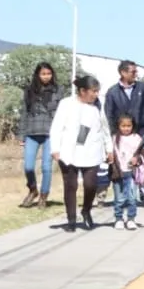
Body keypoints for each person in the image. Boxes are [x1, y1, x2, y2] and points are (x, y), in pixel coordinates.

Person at [48, 74, 109, 232]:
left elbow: (105, 128)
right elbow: (56, 127)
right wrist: (55, 148)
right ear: (82, 91)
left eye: (97, 91)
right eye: (93, 91)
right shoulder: (66, 103)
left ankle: (86, 210)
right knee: (71, 185)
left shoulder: (97, 106)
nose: (96, 95)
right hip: (69, 151)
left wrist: (109, 149)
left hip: (91, 151)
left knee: (90, 185)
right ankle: (71, 220)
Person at [104, 60, 144, 208]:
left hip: (141, 132)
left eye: (136, 71)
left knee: (143, 164)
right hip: (121, 136)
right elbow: (108, 115)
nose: (136, 74)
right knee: (124, 164)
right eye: (133, 72)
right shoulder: (112, 92)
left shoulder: (143, 88)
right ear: (123, 72)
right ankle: (124, 194)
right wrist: (111, 136)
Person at [18, 61, 62, 209]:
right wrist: (22, 135)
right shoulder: (29, 90)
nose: (46, 76)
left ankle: (43, 196)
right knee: (28, 167)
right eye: (43, 74)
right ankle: (32, 190)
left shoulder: (58, 90)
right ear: (37, 75)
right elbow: (24, 113)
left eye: (49, 73)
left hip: (50, 133)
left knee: (46, 168)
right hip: (31, 132)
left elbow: (62, 115)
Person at [109, 114, 144, 230]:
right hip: (118, 173)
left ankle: (131, 218)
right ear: (118, 126)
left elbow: (143, 153)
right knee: (119, 198)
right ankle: (118, 218)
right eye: (123, 126)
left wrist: (137, 159)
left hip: (131, 173)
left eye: (128, 126)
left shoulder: (137, 138)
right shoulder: (114, 139)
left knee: (132, 197)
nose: (126, 128)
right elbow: (108, 154)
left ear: (132, 126)